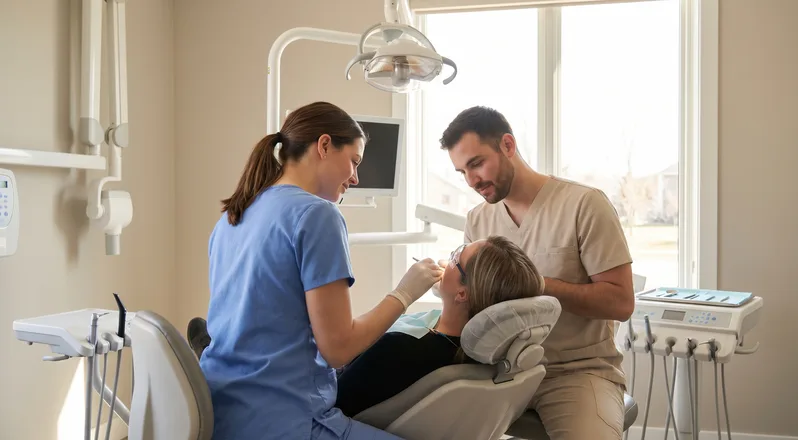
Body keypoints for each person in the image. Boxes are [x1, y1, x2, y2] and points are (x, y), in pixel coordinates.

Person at [200, 101, 444, 440]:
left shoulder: (232, 217)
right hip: (286, 421)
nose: (356, 177)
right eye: (354, 162)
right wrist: (405, 293)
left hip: (222, 415)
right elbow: (339, 349)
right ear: (325, 145)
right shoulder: (318, 215)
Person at [439, 106, 635, 440]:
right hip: (497, 371)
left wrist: (540, 286)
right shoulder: (478, 220)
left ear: (508, 146)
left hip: (575, 372)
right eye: (462, 172)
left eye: (476, 163)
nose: (472, 180)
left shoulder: (584, 205)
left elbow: (620, 303)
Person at [334, 235, 545, 418]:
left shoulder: (400, 349)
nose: (447, 259)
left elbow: (335, 398)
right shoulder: (482, 352)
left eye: (455, 258)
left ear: (462, 294)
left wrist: (402, 294)